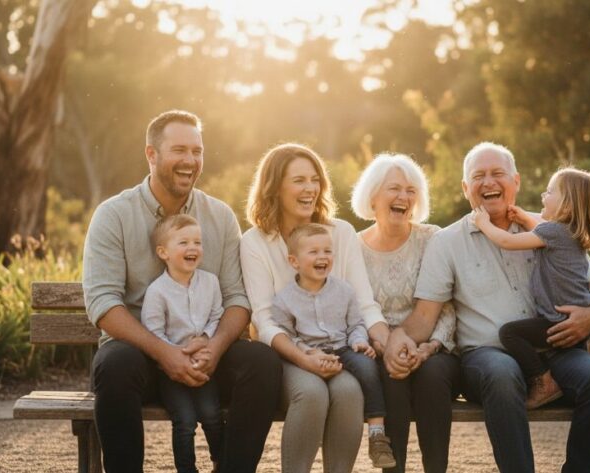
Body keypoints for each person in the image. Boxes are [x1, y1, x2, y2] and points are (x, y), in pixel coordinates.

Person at [384, 142, 590, 473]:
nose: (489, 183)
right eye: (478, 176)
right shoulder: (447, 242)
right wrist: (397, 337)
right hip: (486, 356)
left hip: (556, 348)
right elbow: (426, 315)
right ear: (466, 188)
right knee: (502, 372)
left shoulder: (546, 229)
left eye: (498, 174)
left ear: (517, 182)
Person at [83, 110, 281, 473]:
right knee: (114, 365)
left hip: (206, 355)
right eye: (179, 150)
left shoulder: (219, 217)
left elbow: (238, 299)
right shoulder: (114, 215)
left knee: (263, 363)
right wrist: (164, 353)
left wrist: (215, 347)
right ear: (151, 154)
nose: (190, 161)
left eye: (197, 151)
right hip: (140, 355)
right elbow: (104, 303)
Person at [240, 143, 390, 473]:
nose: (310, 189)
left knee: (350, 391)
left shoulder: (341, 233)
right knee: (311, 392)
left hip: (338, 350)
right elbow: (263, 320)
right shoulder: (255, 242)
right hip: (286, 354)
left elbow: (365, 304)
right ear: (274, 187)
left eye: (315, 179)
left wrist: (385, 342)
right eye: (298, 180)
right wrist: (303, 357)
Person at [350, 153, 459, 473]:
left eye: (411, 190)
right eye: (394, 188)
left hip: (435, 346)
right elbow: (356, 309)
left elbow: (448, 307)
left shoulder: (433, 239)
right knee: (390, 377)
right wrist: (386, 347)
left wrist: (429, 347)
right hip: (380, 347)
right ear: (373, 196)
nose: (403, 197)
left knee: (433, 375)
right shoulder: (353, 248)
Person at [473, 168, 590, 409]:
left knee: (510, 333)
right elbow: (539, 230)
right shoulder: (572, 235)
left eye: (549, 192)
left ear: (567, 207)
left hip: (556, 321)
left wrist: (483, 224)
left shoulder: (554, 232)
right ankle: (581, 353)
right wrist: (525, 219)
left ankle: (543, 381)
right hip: (575, 321)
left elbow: (508, 241)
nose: (542, 196)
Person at [271, 223, 397, 469]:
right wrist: (308, 351)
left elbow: (356, 324)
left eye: (327, 251)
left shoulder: (344, 291)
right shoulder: (284, 299)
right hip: (306, 356)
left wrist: (359, 341)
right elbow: (285, 334)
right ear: (294, 262)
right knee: (312, 392)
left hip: (343, 350)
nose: (322, 257)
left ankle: (377, 434)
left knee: (368, 369)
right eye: (314, 252)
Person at [141, 214, 224, 473]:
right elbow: (153, 331)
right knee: (185, 420)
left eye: (197, 242)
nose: (193, 248)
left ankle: (221, 462)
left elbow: (217, 315)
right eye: (184, 243)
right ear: (163, 252)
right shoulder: (157, 291)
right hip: (170, 371)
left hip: (203, 365)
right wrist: (177, 355)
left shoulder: (210, 282)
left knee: (212, 414)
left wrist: (206, 340)